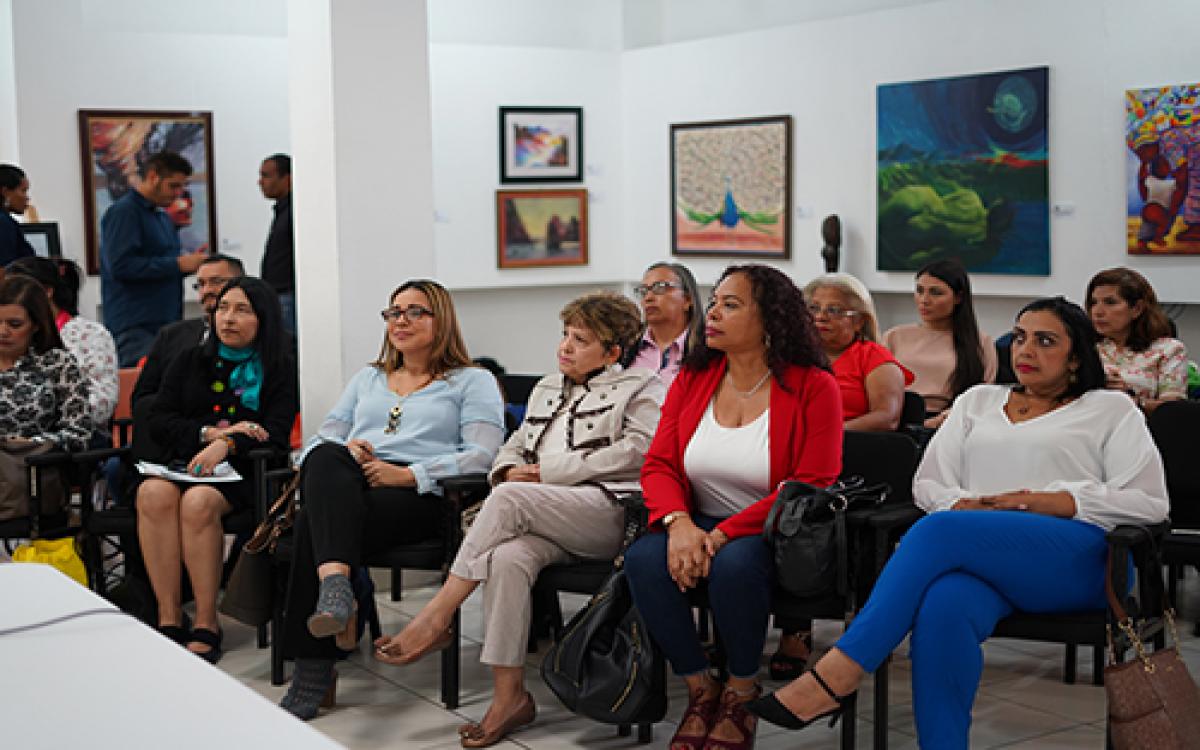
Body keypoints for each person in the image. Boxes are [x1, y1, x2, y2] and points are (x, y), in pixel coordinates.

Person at [749, 297, 1170, 750]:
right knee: (943, 605)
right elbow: (930, 484)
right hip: (978, 555)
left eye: (1046, 341)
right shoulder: (978, 401)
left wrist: (1053, 501)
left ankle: (839, 673)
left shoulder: (1110, 409)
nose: (1026, 349)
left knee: (938, 530)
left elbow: (1150, 502)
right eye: (1021, 337)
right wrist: (970, 507)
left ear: (1076, 357)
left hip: (1078, 559)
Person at [373, 292, 666, 747]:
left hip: (608, 514)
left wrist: (550, 474)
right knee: (508, 558)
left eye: (580, 340)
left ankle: (436, 615)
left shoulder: (643, 387)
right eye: (565, 335)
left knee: (510, 499)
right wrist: (507, 468)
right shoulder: (549, 386)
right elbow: (516, 443)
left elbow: (641, 451)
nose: (565, 347)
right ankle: (509, 698)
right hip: (543, 513)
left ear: (611, 352)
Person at [623, 264, 843, 750]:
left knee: (734, 567)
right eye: (715, 302)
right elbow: (658, 463)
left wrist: (720, 536)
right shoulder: (694, 378)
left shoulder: (813, 385)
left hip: (772, 529)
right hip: (696, 519)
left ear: (771, 318)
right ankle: (701, 688)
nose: (714, 313)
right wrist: (679, 525)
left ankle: (741, 690)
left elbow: (810, 483)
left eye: (731, 304)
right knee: (643, 559)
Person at [278, 279, 504, 720]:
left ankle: (315, 665)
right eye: (394, 312)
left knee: (312, 525)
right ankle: (337, 587)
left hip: (422, 498)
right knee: (326, 455)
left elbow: (483, 455)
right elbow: (319, 440)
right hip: (353, 483)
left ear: (442, 320)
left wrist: (408, 474)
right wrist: (350, 450)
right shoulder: (369, 378)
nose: (401, 320)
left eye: (415, 311)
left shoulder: (471, 380)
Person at [134, 277, 297, 664]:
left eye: (242, 310)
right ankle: (169, 615)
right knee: (151, 493)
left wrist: (229, 444)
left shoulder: (279, 367)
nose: (228, 318)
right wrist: (209, 433)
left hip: (246, 475)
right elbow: (158, 418)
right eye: (223, 308)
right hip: (183, 464)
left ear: (263, 319)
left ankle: (208, 620)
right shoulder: (191, 359)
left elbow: (273, 434)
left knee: (199, 502)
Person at [100, 151, 209, 367]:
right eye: (173, 186)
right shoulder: (124, 213)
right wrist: (177, 264)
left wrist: (189, 264)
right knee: (142, 388)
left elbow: (161, 262)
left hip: (166, 320)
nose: (178, 194)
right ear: (152, 177)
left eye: (182, 187)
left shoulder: (161, 217)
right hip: (136, 324)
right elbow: (121, 266)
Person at [5, 256, 118, 434]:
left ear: (47, 291)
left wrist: (44, 414)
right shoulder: (11, 338)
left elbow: (102, 404)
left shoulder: (89, 335)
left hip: (68, 438)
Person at [883, 259, 996, 428]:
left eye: (935, 293)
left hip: (951, 423)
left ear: (958, 297)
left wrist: (939, 422)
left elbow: (982, 395)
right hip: (896, 421)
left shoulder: (980, 342)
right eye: (919, 291)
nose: (924, 300)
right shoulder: (894, 336)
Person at [131, 254, 245, 410]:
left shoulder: (258, 336)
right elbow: (142, 399)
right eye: (201, 284)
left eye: (216, 282)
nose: (207, 290)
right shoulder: (171, 336)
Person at [805, 273, 913, 431]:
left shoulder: (874, 357)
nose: (821, 317)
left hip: (848, 445)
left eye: (834, 310)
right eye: (813, 308)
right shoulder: (795, 353)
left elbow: (886, 418)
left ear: (859, 321)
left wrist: (829, 434)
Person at [0, 275, 92, 453]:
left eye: (15, 324)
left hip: (35, 464)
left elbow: (80, 432)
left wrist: (33, 442)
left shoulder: (57, 363)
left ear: (36, 325)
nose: (3, 332)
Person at [1086, 267, 1187, 414]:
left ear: (1137, 309)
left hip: (1142, 429)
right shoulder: (1087, 346)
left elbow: (1172, 411)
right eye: (1093, 303)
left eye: (1110, 302)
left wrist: (1132, 400)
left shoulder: (1169, 350)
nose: (1097, 311)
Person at [624, 262, 704, 386]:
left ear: (687, 300)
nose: (648, 298)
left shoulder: (709, 350)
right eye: (643, 291)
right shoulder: (626, 348)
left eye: (660, 287)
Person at [258, 154, 295, 335]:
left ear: (287, 178)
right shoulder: (282, 210)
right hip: (278, 295)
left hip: (288, 295)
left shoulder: (295, 212)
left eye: (266, 176)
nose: (260, 182)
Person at [0, 164, 36, 266]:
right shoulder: (3, 223)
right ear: (5, 192)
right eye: (23, 191)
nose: (27, 197)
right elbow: (5, 271)